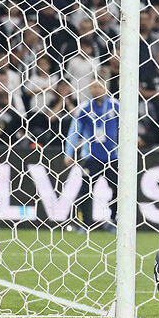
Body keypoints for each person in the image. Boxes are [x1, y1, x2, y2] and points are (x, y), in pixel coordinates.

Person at [63, 77, 119, 233]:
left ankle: (114, 220)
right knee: (85, 190)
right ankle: (83, 223)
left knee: (118, 189)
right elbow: (74, 131)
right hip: (91, 157)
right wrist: (69, 152)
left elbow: (127, 126)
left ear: (106, 88)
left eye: (99, 87)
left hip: (113, 157)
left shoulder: (116, 106)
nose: (96, 90)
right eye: (93, 87)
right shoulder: (85, 107)